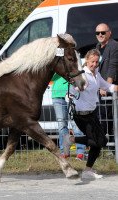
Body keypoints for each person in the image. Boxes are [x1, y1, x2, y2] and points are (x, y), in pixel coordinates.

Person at [63, 49, 118, 180]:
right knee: (97, 141)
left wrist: (115, 88)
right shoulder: (83, 75)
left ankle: (87, 170)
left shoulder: (96, 74)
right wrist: (72, 93)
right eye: (92, 61)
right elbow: (70, 92)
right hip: (81, 115)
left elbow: (107, 86)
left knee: (102, 141)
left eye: (96, 62)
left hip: (92, 114)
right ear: (86, 60)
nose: (94, 64)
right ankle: (71, 140)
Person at [95, 23, 118, 155]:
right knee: (103, 118)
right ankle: (109, 148)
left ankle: (115, 150)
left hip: (109, 91)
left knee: (112, 119)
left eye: (103, 32)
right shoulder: (98, 47)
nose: (100, 35)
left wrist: (106, 87)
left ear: (109, 33)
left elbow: (113, 67)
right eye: (97, 33)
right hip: (99, 90)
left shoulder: (114, 45)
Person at [51, 74, 86, 160]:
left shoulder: (72, 62)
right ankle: (65, 152)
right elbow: (51, 77)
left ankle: (80, 152)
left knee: (76, 124)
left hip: (73, 94)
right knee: (62, 125)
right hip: (57, 95)